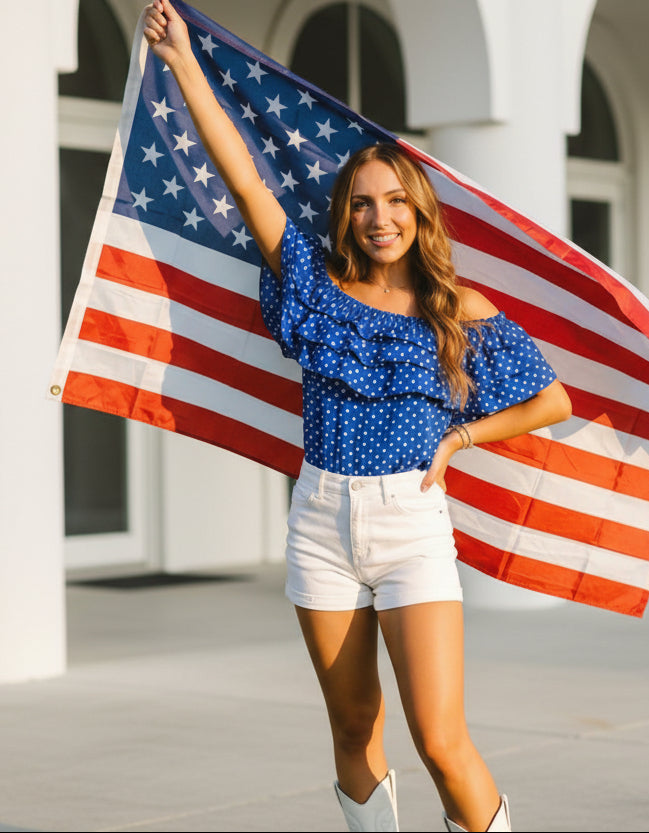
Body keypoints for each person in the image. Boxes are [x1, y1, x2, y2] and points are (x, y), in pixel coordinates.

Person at [143, 2, 572, 830]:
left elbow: (550, 399)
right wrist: (184, 62)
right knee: (352, 726)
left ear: (419, 212)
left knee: (442, 740)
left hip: (411, 523)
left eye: (396, 201)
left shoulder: (457, 309)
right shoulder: (313, 283)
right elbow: (243, 178)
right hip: (320, 519)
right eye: (364, 203)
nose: (381, 217)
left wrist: (463, 435)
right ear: (347, 213)